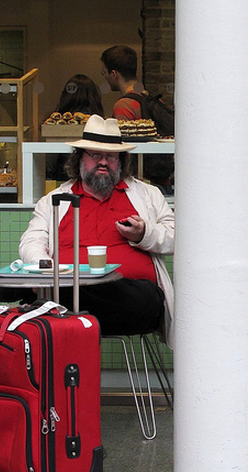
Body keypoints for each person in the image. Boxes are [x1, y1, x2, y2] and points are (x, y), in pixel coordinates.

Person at [19, 114, 175, 344]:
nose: (103, 162)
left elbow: (175, 237)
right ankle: (70, 290)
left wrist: (144, 234)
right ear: (80, 158)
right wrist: (45, 269)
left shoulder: (147, 195)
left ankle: (64, 292)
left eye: (111, 157)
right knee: (64, 291)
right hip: (69, 296)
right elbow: (31, 241)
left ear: (120, 161)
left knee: (139, 297)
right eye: (95, 155)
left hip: (131, 306)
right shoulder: (55, 200)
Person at [101, 44, 174, 192]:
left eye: (105, 73)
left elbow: (123, 152)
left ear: (114, 74)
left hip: (140, 183)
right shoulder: (154, 101)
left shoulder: (123, 105)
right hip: (163, 181)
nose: (106, 78)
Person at [46, 74, 104, 181]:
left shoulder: (58, 125)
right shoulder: (100, 124)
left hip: (64, 182)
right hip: (95, 182)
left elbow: (50, 164)